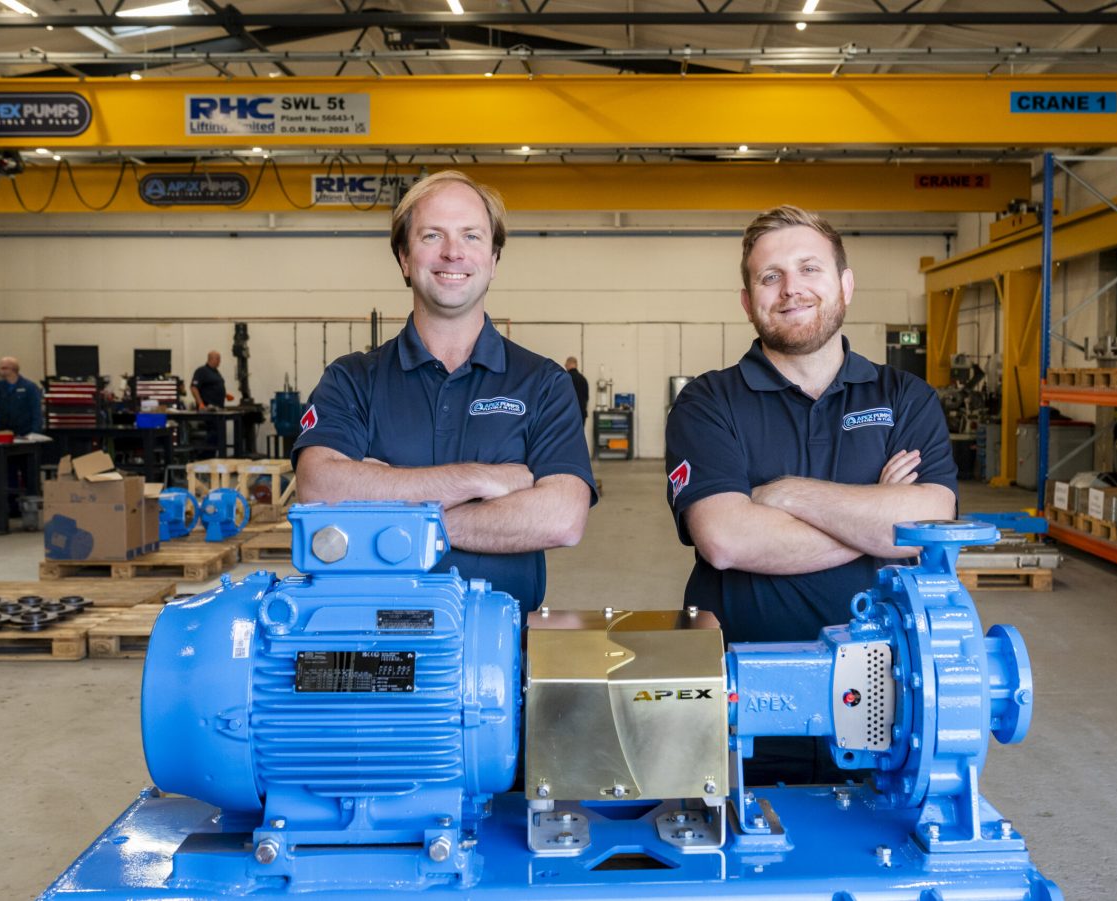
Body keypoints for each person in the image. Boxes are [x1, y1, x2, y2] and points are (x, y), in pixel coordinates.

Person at [664, 204, 957, 785]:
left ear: (845, 284)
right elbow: (725, 538)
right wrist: (872, 513)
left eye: (810, 269)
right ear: (748, 301)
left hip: (890, 696)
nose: (791, 289)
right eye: (770, 277)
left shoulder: (906, 397)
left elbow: (928, 522)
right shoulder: (708, 402)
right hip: (743, 702)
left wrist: (786, 494)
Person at [294, 170, 595, 615]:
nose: (453, 252)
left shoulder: (544, 383)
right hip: (367, 644)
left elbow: (563, 517)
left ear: (493, 258)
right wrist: (483, 480)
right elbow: (318, 486)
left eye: (471, 236)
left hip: (501, 648)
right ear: (403, 257)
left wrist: (395, 518)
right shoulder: (351, 380)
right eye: (432, 235)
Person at [0, 356, 41, 436]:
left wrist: (35, 433)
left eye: (3, 368)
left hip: (25, 433)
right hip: (5, 433)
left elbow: (36, 411)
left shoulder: (29, 387)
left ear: (13, 369)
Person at [565, 356, 590, 425]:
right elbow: (586, 398)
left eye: (566, 365)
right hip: (581, 414)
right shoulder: (583, 379)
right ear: (576, 365)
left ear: (568, 364)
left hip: (568, 414)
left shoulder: (565, 378)